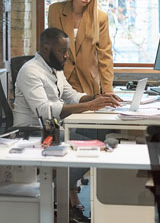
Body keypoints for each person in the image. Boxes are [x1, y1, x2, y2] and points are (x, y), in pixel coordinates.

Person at [13, 27, 120, 223]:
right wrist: (88, 105)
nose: (67, 56)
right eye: (63, 51)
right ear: (46, 48)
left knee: (103, 131)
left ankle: (65, 194)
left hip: (56, 127)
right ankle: (55, 197)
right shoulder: (30, 71)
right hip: (36, 133)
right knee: (94, 148)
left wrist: (98, 98)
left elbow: (71, 95)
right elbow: (44, 111)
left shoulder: (54, 69)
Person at [47, 0, 114, 95]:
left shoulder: (100, 17)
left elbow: (105, 56)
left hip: (88, 83)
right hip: (60, 80)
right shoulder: (55, 11)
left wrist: (108, 90)